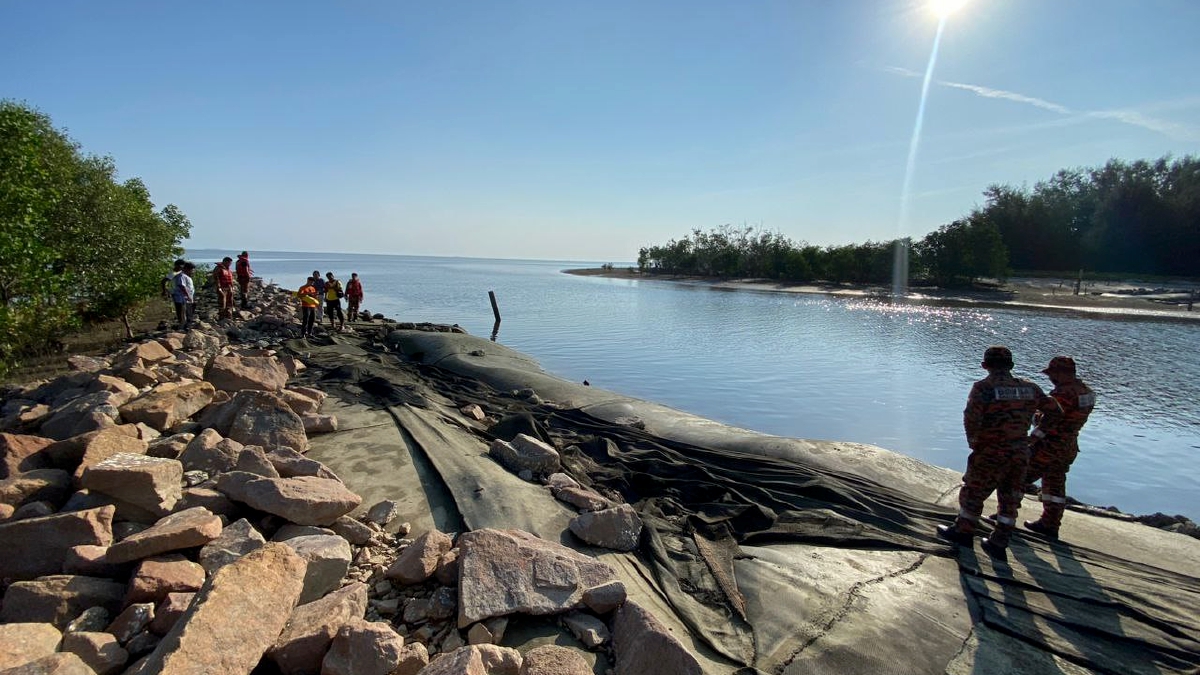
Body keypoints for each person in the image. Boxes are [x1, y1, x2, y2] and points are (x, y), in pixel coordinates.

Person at [937, 346, 1061, 558]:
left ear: (985, 365)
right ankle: (999, 542)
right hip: (1020, 452)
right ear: (1011, 366)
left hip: (991, 452)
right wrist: (1036, 435)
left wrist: (974, 442)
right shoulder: (1030, 388)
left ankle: (963, 532)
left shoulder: (984, 388)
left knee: (974, 492)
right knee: (1010, 498)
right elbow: (1055, 411)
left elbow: (971, 418)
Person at [1023, 356, 1096, 540]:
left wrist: (1033, 417)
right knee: (1054, 485)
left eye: (1052, 374)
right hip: (1069, 446)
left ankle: (1004, 517)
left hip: (1049, 446)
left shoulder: (1063, 394)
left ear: (1062, 373)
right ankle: (1050, 524)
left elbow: (1049, 419)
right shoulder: (1087, 392)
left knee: (1019, 477)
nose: (1050, 378)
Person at [172, 262, 196, 329]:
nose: (193, 272)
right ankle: (183, 327)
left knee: (188, 312)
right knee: (183, 313)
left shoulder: (187, 276)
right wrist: (188, 296)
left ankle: (187, 325)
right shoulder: (181, 276)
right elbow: (182, 286)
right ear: (188, 269)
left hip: (186, 298)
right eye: (192, 270)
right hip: (182, 298)